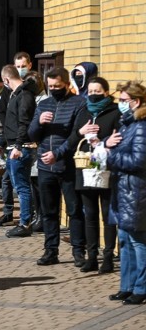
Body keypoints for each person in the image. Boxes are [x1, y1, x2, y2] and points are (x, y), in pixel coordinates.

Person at [28, 67, 87, 266]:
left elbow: (75, 135)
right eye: (50, 86)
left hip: (67, 166)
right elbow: (32, 135)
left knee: (74, 209)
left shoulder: (79, 103)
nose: (54, 89)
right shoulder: (44, 104)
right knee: (49, 211)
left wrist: (57, 154)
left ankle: (79, 251)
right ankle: (50, 251)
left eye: (58, 86)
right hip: (46, 166)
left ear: (67, 85)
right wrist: (39, 122)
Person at [71, 76, 121, 273]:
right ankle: (92, 257)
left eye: (97, 91)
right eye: (90, 91)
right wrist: (81, 131)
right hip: (85, 168)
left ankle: (108, 257)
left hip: (106, 168)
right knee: (89, 215)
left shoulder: (115, 112)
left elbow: (120, 138)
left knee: (108, 216)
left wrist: (103, 141)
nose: (92, 95)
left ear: (106, 92)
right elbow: (73, 135)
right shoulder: (83, 112)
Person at [106, 80, 146, 305]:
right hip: (122, 190)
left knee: (138, 242)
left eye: (122, 101)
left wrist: (109, 156)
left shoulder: (141, 126)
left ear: (135, 102)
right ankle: (127, 286)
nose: (119, 104)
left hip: (136, 191)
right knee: (125, 240)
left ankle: (141, 288)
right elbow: (116, 146)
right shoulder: (127, 123)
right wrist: (105, 143)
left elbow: (139, 161)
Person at [0, 65, 37, 238]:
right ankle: (25, 221)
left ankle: (25, 223)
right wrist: (2, 143)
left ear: (6, 80)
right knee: (19, 186)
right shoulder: (17, 95)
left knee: (22, 187)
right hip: (13, 146)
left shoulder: (24, 95)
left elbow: (23, 124)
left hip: (21, 148)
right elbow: (11, 124)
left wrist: (18, 146)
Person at [24, 71, 50, 232]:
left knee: (40, 185)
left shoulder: (43, 100)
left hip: (39, 147)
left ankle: (42, 218)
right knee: (34, 183)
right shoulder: (30, 98)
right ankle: (38, 216)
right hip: (30, 147)